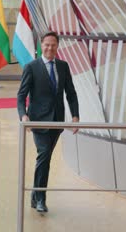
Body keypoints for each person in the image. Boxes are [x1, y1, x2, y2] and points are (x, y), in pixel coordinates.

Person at [17, 31, 79, 213]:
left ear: (57, 46)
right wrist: (23, 116)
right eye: (46, 45)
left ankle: (35, 194)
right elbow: (21, 96)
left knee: (45, 159)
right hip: (38, 121)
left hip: (57, 122)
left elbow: (71, 93)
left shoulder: (63, 66)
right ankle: (40, 200)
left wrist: (75, 116)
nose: (50, 48)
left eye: (53, 45)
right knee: (44, 157)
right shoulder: (31, 67)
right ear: (41, 46)